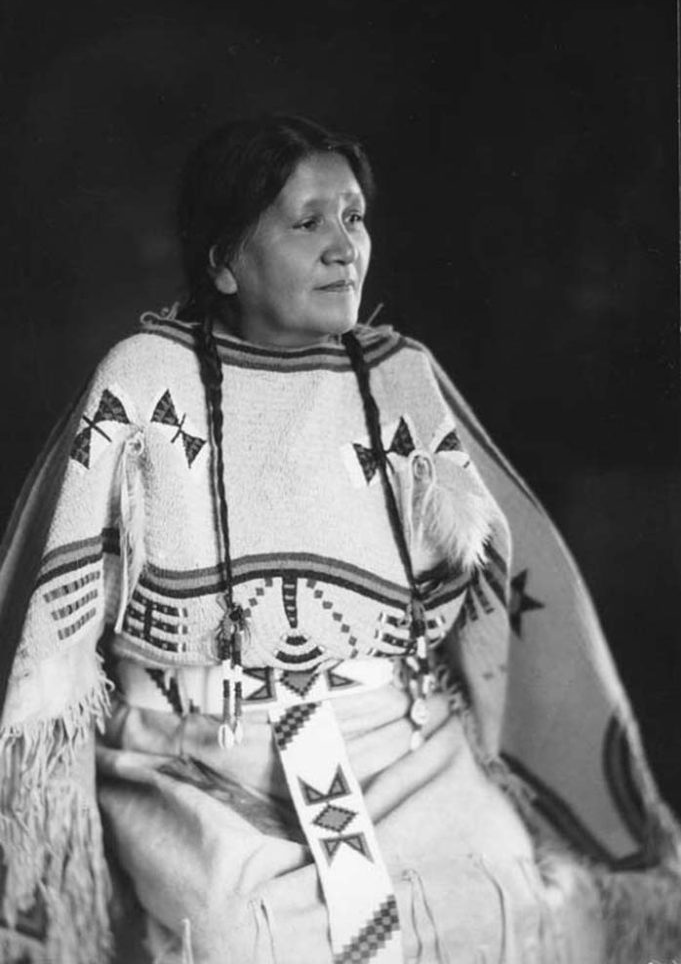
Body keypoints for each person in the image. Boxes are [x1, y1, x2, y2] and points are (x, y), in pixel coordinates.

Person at [0, 114, 679, 964]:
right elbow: (57, 624)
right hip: (200, 756)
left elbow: (486, 582)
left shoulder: (398, 376)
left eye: (353, 217)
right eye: (305, 222)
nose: (342, 246)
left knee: (512, 906)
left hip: (399, 742)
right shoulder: (144, 380)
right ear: (221, 261)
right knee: (226, 937)